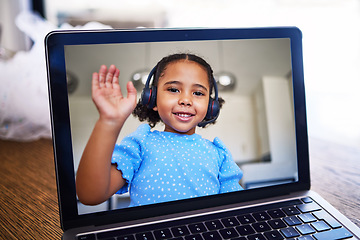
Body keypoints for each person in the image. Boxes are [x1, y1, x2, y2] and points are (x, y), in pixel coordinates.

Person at [76, 53, 243, 207]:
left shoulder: (219, 154)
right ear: (153, 98)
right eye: (173, 89)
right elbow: (90, 195)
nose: (185, 100)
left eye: (198, 93)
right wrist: (108, 122)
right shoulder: (141, 144)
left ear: (210, 106)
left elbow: (235, 209)